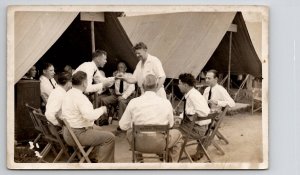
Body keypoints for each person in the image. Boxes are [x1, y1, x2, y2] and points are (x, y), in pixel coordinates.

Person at [119, 74, 183, 162]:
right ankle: (172, 165)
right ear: (157, 86)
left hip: (138, 144)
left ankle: (139, 161)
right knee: (178, 134)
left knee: (130, 131)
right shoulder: (166, 102)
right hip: (160, 144)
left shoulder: (133, 102)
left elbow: (122, 126)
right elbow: (171, 124)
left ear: (142, 86)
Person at [61, 71, 115, 163]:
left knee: (99, 130)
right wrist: (102, 109)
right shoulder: (80, 97)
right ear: (84, 83)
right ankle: (105, 168)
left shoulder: (68, 93)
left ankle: (92, 157)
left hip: (67, 133)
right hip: (77, 135)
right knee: (110, 138)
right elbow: (90, 116)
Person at [177, 73, 210, 161]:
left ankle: (169, 156)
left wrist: (188, 112)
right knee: (174, 124)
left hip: (197, 130)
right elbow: (193, 110)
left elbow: (204, 112)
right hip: (199, 127)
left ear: (185, 85)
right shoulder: (193, 93)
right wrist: (181, 116)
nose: (178, 85)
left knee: (171, 132)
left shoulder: (193, 96)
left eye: (179, 83)